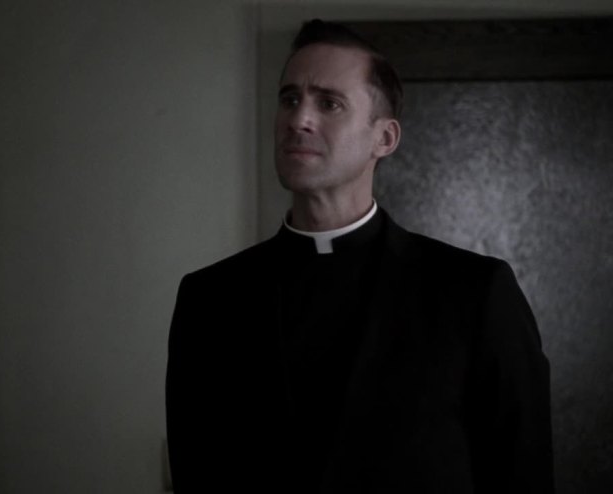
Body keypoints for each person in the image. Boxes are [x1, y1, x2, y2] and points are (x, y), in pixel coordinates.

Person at [165, 19, 553, 493]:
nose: (298, 120)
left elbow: (523, 475)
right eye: (289, 99)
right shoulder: (209, 299)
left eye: (328, 103)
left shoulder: (474, 293)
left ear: (384, 139)